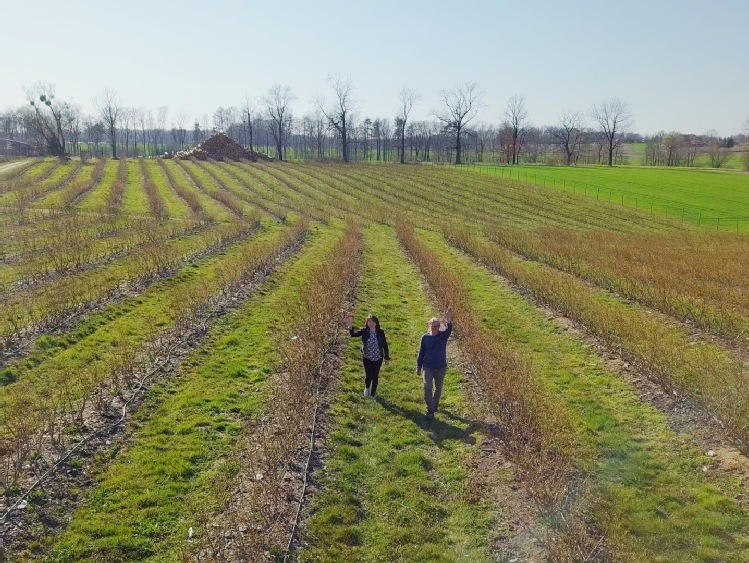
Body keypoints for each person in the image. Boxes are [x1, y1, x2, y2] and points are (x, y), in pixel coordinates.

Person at [416, 307, 452, 420]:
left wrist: (448, 320)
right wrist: (418, 367)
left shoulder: (442, 336)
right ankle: (430, 409)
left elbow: (449, 329)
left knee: (438, 388)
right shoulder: (425, 338)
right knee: (427, 386)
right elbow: (421, 353)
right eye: (433, 326)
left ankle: (435, 405)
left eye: (437, 326)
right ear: (429, 326)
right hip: (428, 367)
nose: (435, 328)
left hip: (441, 367)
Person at [344, 314, 390, 399]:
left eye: (372, 321)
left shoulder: (380, 332)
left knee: (375, 376)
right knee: (369, 375)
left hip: (378, 358)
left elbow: (385, 345)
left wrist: (387, 357)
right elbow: (353, 334)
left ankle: (373, 394)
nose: (371, 323)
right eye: (369, 321)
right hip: (367, 357)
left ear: (376, 323)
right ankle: (367, 387)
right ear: (367, 323)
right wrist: (350, 326)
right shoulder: (364, 331)